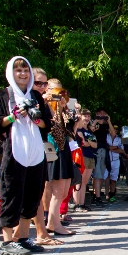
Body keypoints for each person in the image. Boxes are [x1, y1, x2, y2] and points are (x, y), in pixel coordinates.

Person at [0, 56, 52, 255]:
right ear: (11, 73)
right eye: (19, 70)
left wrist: (36, 118)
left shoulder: (36, 95)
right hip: (15, 150)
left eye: (26, 70)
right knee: (12, 194)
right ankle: (7, 241)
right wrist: (13, 116)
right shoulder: (3, 95)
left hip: (35, 150)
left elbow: (47, 124)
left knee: (33, 195)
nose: (23, 74)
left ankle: (23, 238)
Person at [45, 86, 76, 236]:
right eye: (59, 96)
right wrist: (57, 108)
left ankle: (53, 222)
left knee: (63, 192)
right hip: (55, 152)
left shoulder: (64, 112)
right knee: (57, 192)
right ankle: (54, 225)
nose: (62, 99)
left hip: (64, 151)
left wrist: (64, 108)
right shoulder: (48, 111)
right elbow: (55, 130)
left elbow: (70, 133)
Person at [91, 108, 116, 205]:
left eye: (103, 113)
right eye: (100, 113)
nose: (102, 115)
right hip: (96, 149)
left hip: (104, 150)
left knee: (101, 174)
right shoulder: (93, 123)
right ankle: (97, 197)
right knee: (97, 174)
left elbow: (113, 134)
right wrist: (96, 121)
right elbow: (91, 131)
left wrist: (109, 121)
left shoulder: (106, 125)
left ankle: (97, 195)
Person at [73, 109, 96, 212]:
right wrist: (89, 142)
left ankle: (82, 204)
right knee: (79, 181)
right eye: (85, 116)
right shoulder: (79, 129)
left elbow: (95, 145)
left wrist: (89, 142)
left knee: (85, 182)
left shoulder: (89, 131)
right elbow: (84, 143)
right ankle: (76, 204)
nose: (87, 118)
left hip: (91, 155)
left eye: (88, 116)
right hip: (82, 156)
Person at [106, 129, 124, 201]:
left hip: (116, 161)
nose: (115, 131)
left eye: (116, 130)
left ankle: (112, 194)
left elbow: (121, 150)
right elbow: (105, 147)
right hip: (107, 160)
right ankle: (106, 194)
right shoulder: (106, 137)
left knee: (113, 179)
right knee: (106, 178)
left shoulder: (119, 139)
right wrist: (115, 147)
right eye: (113, 129)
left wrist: (110, 149)